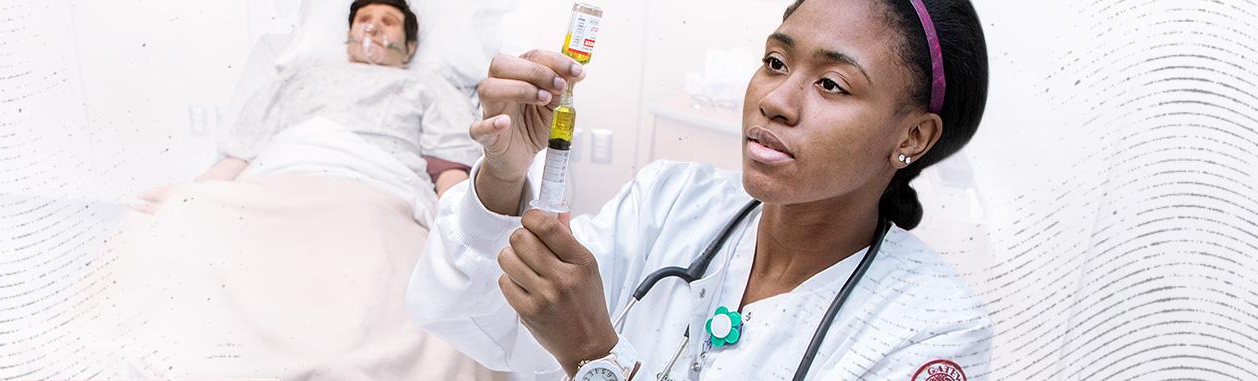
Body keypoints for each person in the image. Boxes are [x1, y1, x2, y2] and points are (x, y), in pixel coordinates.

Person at [407, 0, 991, 379]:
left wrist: (595, 356)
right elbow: (483, 323)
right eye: (776, 61)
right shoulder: (671, 202)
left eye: (833, 84)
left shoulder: (931, 329)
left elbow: (578, 347)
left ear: (913, 134)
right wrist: (505, 177)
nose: (776, 101)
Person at [137, 0, 480, 215]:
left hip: (377, 190)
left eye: (388, 21)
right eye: (364, 19)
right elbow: (240, 155)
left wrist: (454, 233)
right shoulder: (302, 77)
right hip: (284, 176)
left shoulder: (426, 86)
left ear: (409, 47)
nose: (372, 27)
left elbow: (448, 168)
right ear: (348, 37)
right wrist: (191, 196)